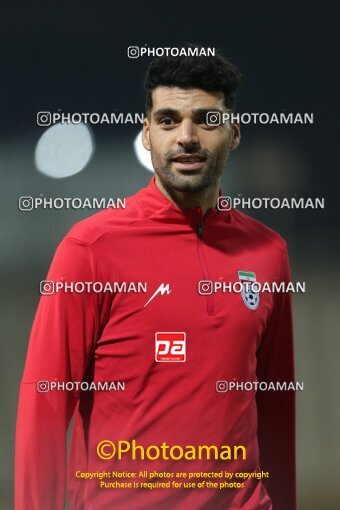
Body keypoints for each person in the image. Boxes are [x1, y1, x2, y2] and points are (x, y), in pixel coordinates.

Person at [15, 46, 296, 510]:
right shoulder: (90, 249)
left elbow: (277, 408)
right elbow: (43, 405)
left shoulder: (268, 253)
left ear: (235, 133)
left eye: (206, 119)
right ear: (147, 135)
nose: (187, 137)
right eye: (168, 120)